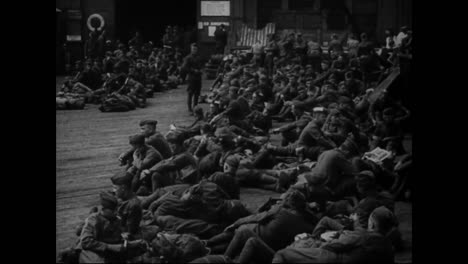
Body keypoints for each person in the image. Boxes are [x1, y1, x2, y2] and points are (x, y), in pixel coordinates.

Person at [272, 206, 395, 263]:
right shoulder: (389, 249)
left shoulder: (362, 236)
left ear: (372, 224)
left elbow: (332, 247)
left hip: (333, 258)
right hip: (343, 255)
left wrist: (323, 241)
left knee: (282, 253)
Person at [77, 191, 146, 263]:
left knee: (140, 248)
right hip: (92, 251)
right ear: (103, 209)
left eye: (116, 209)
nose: (116, 213)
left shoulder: (116, 219)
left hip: (108, 251)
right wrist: (109, 246)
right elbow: (85, 242)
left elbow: (116, 240)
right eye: (113, 211)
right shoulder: (94, 219)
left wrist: (130, 242)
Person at [110, 171, 143, 240]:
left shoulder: (133, 205)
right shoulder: (121, 198)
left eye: (115, 188)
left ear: (123, 188)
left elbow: (130, 231)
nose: (113, 190)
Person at [182, 43, 203, 114]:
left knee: (197, 94)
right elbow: (184, 67)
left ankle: (195, 108)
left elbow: (201, 65)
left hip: (198, 78)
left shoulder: (199, 57)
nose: (195, 50)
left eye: (196, 49)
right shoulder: (188, 58)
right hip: (191, 77)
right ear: (191, 49)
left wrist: (200, 70)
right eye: (193, 49)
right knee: (190, 93)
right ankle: (190, 109)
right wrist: (193, 70)